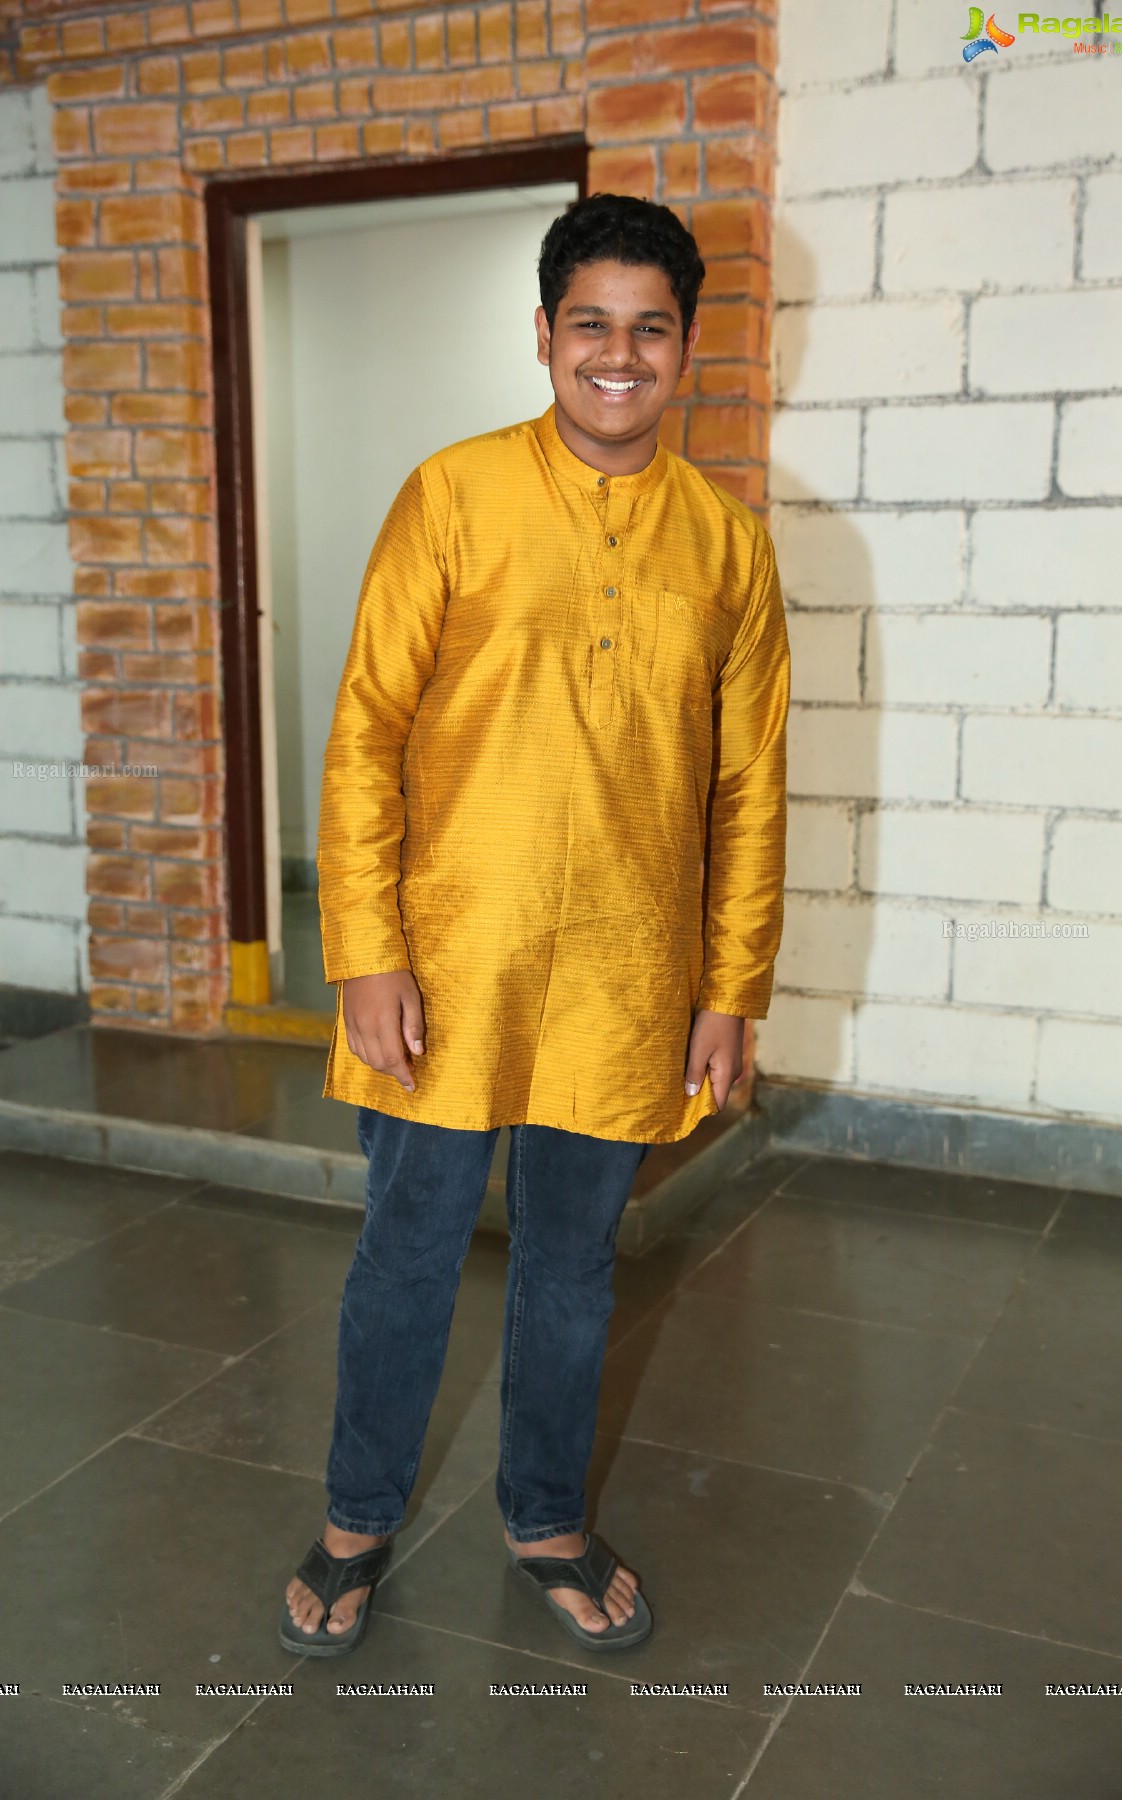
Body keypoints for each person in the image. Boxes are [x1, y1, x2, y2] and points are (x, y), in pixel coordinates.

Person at [279, 192, 791, 1658]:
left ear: (688, 343)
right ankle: (357, 1516)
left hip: (630, 978)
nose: (617, 355)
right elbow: (367, 727)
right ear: (547, 336)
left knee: (575, 1266)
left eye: (649, 328)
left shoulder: (729, 551)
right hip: (448, 964)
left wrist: (728, 987)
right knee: (408, 1255)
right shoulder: (454, 497)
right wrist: (364, 951)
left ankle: (547, 1515)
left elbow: (749, 788)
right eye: (591, 325)